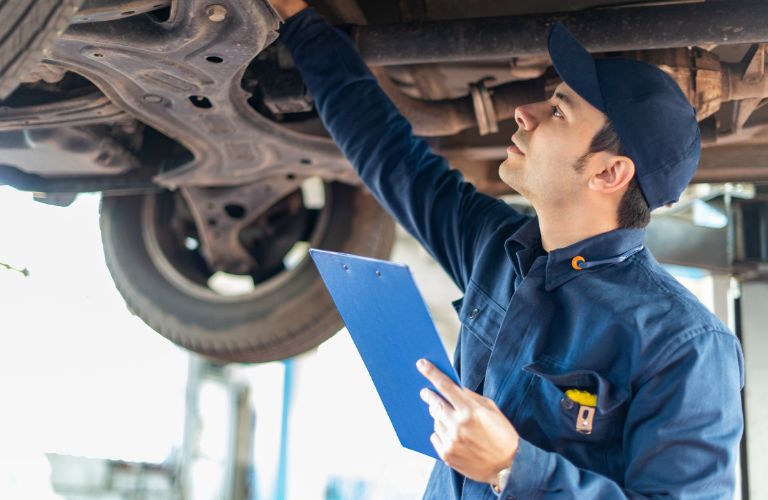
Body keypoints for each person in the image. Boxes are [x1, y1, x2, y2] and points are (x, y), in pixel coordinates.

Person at [267, 1, 745, 498]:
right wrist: (299, 21)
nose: (524, 112)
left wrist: (511, 467)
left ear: (608, 173)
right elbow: (390, 157)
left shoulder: (686, 345)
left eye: (558, 111)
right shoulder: (496, 247)